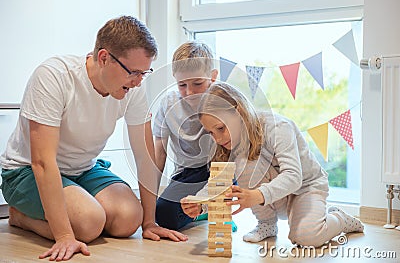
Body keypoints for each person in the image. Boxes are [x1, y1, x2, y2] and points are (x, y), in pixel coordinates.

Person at [0, 16, 186, 262]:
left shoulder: (133, 88)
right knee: (88, 224)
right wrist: (65, 234)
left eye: (144, 72)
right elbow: (42, 162)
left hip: (83, 168)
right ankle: (20, 216)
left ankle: (82, 208)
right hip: (26, 172)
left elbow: (145, 156)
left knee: (130, 219)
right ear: (104, 57)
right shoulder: (55, 76)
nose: (139, 81)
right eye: (133, 72)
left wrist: (149, 223)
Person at [181, 82, 364, 247]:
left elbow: (293, 176)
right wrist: (200, 203)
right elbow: (218, 181)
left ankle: (339, 218)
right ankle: (267, 224)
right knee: (245, 161)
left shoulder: (277, 127)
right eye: (211, 133)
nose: (218, 138)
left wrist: (257, 195)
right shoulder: (227, 143)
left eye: (220, 128)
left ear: (239, 112)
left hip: (306, 187)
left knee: (306, 237)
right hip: (274, 196)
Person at [152, 41, 218, 230]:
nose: (189, 93)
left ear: (212, 77)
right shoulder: (168, 104)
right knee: (163, 215)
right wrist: (151, 197)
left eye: (198, 83)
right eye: (182, 85)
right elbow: (160, 152)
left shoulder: (222, 99)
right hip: (188, 173)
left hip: (221, 167)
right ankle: (203, 212)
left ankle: (216, 207)